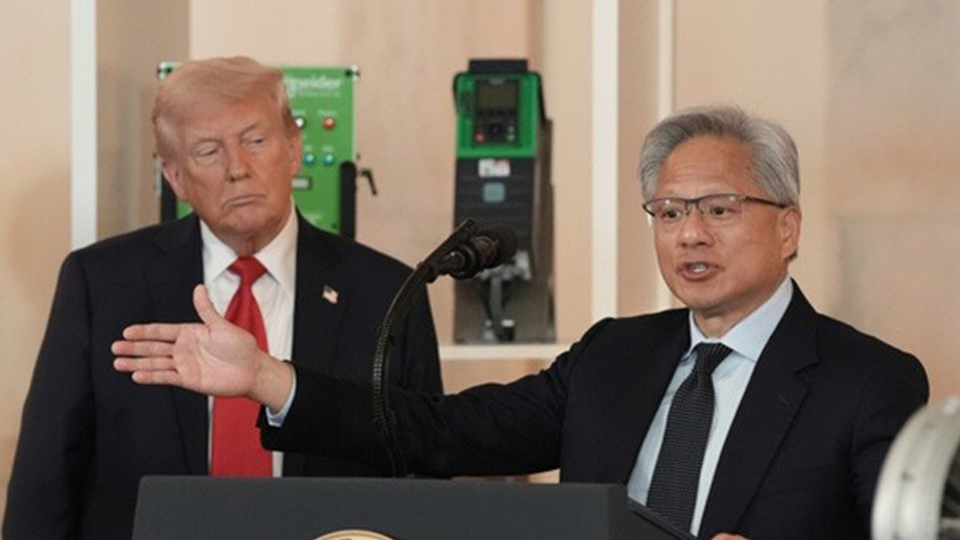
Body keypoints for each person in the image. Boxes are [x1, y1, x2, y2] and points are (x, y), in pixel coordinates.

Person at [113, 106, 928, 540]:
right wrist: (267, 378)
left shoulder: (869, 382)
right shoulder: (614, 355)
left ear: (787, 226)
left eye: (719, 209)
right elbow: (443, 432)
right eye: (670, 211)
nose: (689, 235)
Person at [4, 56, 442, 540]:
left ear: (293, 149)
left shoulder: (387, 293)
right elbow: (44, 486)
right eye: (209, 151)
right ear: (175, 177)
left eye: (255, 141)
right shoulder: (103, 284)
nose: (238, 168)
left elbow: (426, 481)